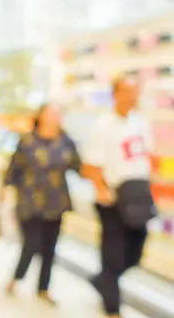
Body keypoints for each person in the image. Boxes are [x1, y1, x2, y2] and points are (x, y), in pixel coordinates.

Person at [83, 76, 157, 318]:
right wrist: (103, 189)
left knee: (135, 252)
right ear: (115, 94)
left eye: (135, 91)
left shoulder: (141, 123)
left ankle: (102, 281)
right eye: (127, 91)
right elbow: (91, 166)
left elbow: (147, 157)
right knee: (112, 256)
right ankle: (112, 308)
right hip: (113, 201)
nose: (132, 97)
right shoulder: (102, 125)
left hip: (138, 198)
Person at [3, 103, 81, 305]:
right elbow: (14, 168)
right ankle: (16, 277)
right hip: (30, 201)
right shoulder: (28, 140)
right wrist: (5, 190)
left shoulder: (65, 141)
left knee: (50, 247)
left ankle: (43, 288)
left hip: (56, 201)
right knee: (31, 243)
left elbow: (79, 166)